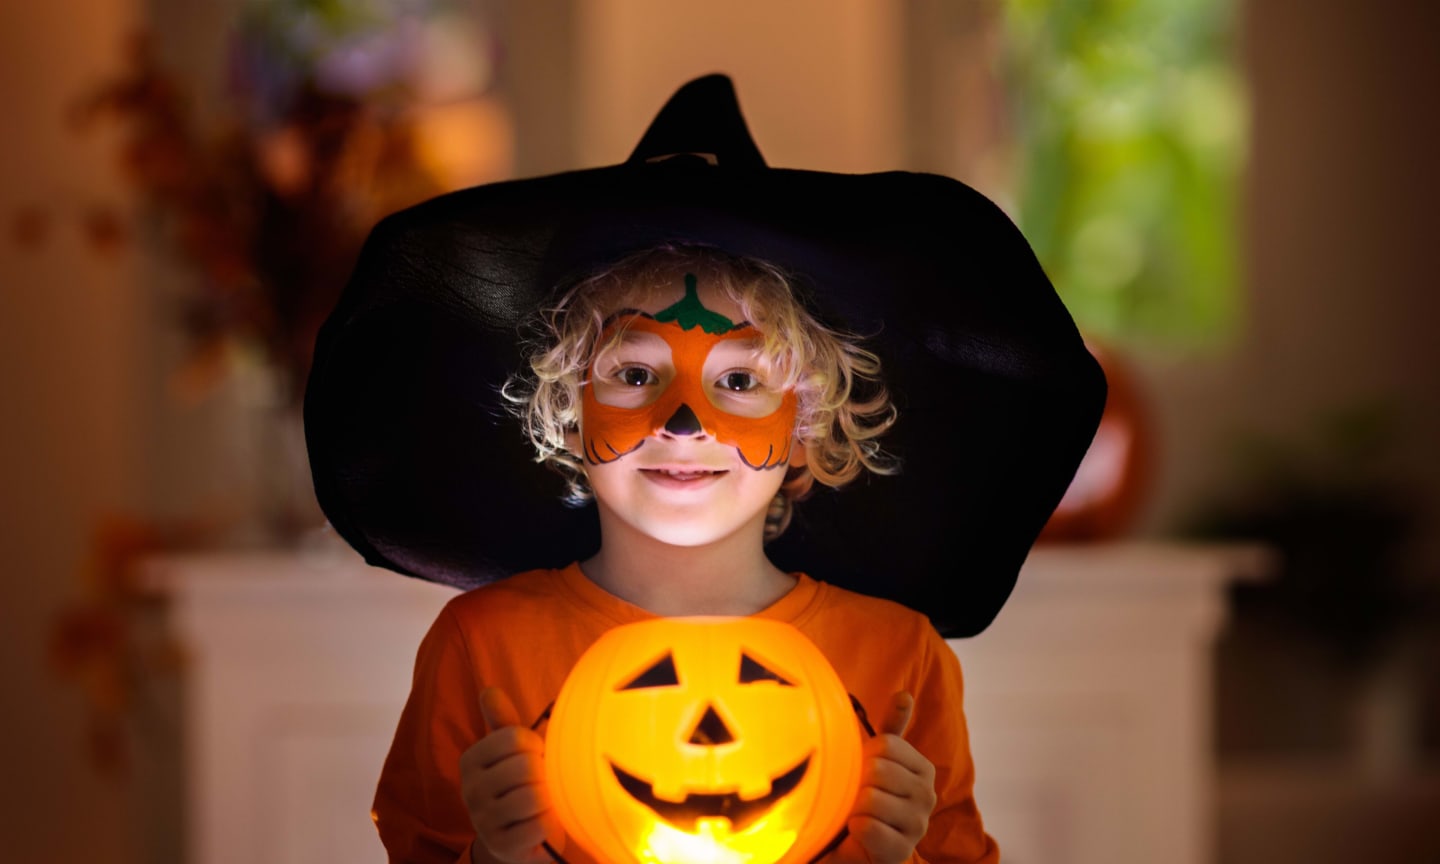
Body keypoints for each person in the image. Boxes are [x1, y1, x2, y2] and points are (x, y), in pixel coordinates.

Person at [304, 75, 1106, 864]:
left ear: (807, 425)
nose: (682, 422)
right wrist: (490, 855)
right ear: (570, 410)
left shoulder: (899, 660)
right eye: (634, 373)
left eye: (739, 381)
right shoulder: (482, 651)